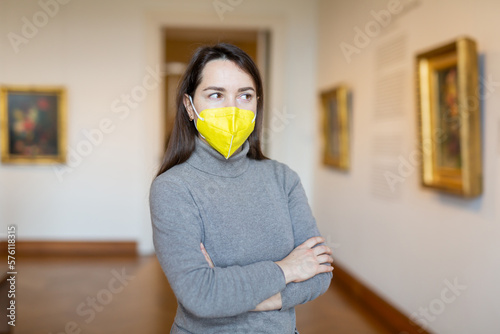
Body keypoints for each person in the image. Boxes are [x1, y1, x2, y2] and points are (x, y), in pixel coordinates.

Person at [150, 43, 333, 334]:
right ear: (189, 105)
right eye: (216, 95)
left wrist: (238, 294)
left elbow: (320, 273)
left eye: (244, 95)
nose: (232, 109)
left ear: (256, 103)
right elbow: (201, 295)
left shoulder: (283, 179)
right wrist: (288, 268)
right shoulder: (173, 188)